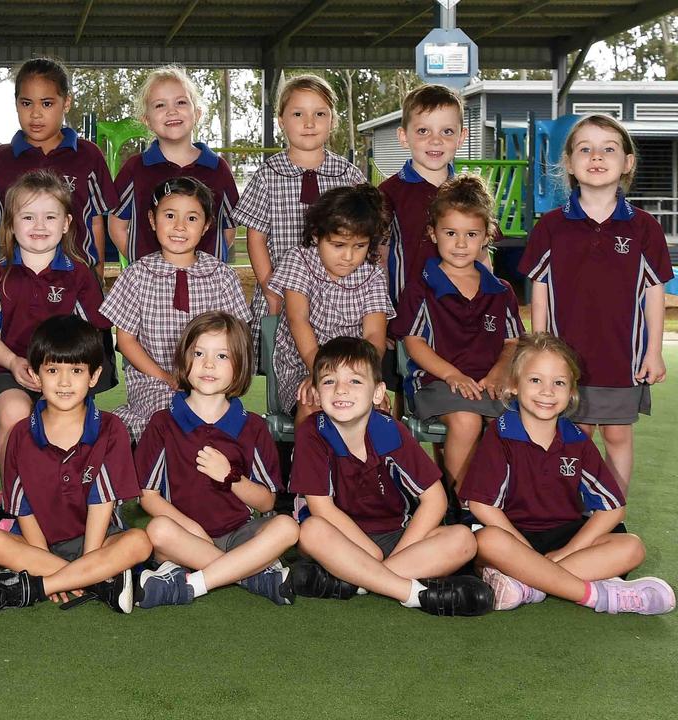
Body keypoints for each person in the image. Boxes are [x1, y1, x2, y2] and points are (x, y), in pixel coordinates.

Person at [465, 333, 675, 615]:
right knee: (485, 542)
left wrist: (565, 552)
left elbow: (613, 510)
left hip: (563, 539)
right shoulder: (500, 434)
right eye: (535, 380)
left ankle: (529, 585)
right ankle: (597, 595)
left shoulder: (576, 440)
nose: (548, 391)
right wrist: (525, 552)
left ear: (571, 392)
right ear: (513, 385)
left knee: (632, 548)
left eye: (559, 383)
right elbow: (481, 505)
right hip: (511, 536)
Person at [519, 114, 670, 497]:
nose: (596, 156)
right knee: (574, 434)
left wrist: (653, 351)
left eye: (609, 149)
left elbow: (654, 292)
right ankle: (574, 507)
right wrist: (540, 348)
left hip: (622, 357)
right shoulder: (551, 226)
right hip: (566, 360)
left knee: (618, 434)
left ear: (627, 163)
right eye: (585, 148)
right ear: (569, 162)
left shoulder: (644, 227)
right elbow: (540, 290)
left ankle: (614, 510)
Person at [289, 337, 492, 616]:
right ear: (316, 390)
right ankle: (416, 595)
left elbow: (435, 499)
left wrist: (394, 556)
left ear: (377, 392)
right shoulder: (312, 432)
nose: (341, 390)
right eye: (328, 381)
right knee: (310, 532)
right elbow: (321, 509)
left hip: (396, 535)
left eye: (355, 382)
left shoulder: (390, 430)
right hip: (341, 539)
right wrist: (370, 554)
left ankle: (354, 582)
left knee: (464, 541)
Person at [0, 315, 152, 615]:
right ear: (35, 374)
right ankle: (100, 581)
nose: (65, 382)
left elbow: (102, 503)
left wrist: (65, 569)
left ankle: (36, 587)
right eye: (53, 370)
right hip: (38, 543)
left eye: (76, 370)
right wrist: (43, 557)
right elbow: (23, 507)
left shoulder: (111, 430)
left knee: (139, 542)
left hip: (96, 540)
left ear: (94, 376)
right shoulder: (21, 434)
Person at [134, 312, 298, 609]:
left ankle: (193, 583)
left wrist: (231, 477)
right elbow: (148, 496)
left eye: (222, 355)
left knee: (287, 527)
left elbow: (266, 503)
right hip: (185, 536)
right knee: (157, 530)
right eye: (198, 353)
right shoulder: (162, 423)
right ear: (184, 359)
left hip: (240, 534)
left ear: (240, 366)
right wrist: (192, 529)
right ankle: (251, 573)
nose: (208, 364)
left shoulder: (253, 427)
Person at [0, 170, 110, 477]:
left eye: (50, 217)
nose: (40, 226)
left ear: (67, 223)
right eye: (28, 217)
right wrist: (14, 362)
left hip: (66, 376)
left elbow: (92, 336)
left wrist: (59, 374)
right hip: (8, 373)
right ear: (11, 225)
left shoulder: (80, 276)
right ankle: (13, 498)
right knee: (16, 413)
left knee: (63, 415)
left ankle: (64, 495)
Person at [388, 175, 522, 493]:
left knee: (516, 423)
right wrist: (452, 375)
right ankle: (461, 501)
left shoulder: (501, 290)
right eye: (451, 233)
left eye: (471, 234)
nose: (460, 244)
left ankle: (507, 501)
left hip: (489, 384)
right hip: (435, 384)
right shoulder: (421, 287)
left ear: (486, 236)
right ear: (433, 233)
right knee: (467, 421)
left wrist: (500, 372)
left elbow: (512, 341)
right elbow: (413, 342)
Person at [102, 176, 254, 440]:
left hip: (211, 381)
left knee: (212, 415)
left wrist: (210, 377)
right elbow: (126, 341)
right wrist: (164, 376)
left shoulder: (221, 275)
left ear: (207, 225)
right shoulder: (137, 275)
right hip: (153, 382)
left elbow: (236, 338)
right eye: (170, 215)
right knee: (173, 416)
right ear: (152, 219)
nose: (180, 227)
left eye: (192, 219)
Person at [232, 74, 365, 351]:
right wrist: (270, 289)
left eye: (319, 113)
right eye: (297, 113)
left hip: (336, 296)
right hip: (280, 294)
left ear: (332, 120)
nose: (309, 123)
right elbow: (256, 239)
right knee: (282, 370)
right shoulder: (268, 175)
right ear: (281, 121)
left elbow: (364, 235)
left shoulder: (349, 175)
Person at [0, 57, 117, 272]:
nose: (35, 113)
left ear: (66, 103)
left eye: (47, 103)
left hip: (76, 281)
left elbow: (95, 222)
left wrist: (95, 277)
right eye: (26, 103)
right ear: (16, 104)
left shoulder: (89, 156)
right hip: (15, 280)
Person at [268, 185, 393, 426]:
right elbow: (298, 321)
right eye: (338, 245)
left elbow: (374, 335)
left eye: (359, 246)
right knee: (312, 402)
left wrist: (363, 378)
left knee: (380, 409)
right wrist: (323, 376)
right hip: (305, 365)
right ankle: (311, 462)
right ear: (316, 235)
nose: (348, 257)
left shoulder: (373, 274)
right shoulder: (299, 260)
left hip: (357, 369)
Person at [110, 65, 239, 263]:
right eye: (160, 105)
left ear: (197, 114)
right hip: (150, 287)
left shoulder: (217, 169)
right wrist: (142, 266)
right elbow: (117, 225)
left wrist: (209, 264)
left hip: (203, 286)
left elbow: (229, 229)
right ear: (146, 120)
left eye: (180, 102)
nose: (172, 111)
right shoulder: (136, 168)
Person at [379, 84, 468, 305]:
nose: (435, 140)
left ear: (461, 137)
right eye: (423, 131)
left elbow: (483, 257)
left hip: (460, 317)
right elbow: (379, 259)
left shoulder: (470, 194)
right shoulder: (387, 194)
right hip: (405, 317)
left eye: (447, 131)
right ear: (403, 136)